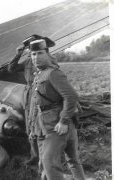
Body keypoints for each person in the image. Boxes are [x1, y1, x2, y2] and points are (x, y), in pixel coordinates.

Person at [28, 38, 86, 180]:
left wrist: (64, 121)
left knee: (49, 163)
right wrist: (32, 128)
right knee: (71, 161)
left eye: (40, 53)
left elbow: (71, 96)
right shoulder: (39, 75)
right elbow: (37, 104)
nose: (36, 57)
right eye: (33, 54)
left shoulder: (53, 73)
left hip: (56, 126)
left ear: (47, 54)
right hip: (46, 125)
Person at [7, 34, 55, 165]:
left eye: (35, 46)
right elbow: (11, 69)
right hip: (28, 96)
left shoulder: (48, 60)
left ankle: (48, 157)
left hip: (41, 94)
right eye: (30, 47)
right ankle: (35, 156)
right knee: (30, 128)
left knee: (43, 127)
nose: (32, 49)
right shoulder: (28, 61)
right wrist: (17, 54)